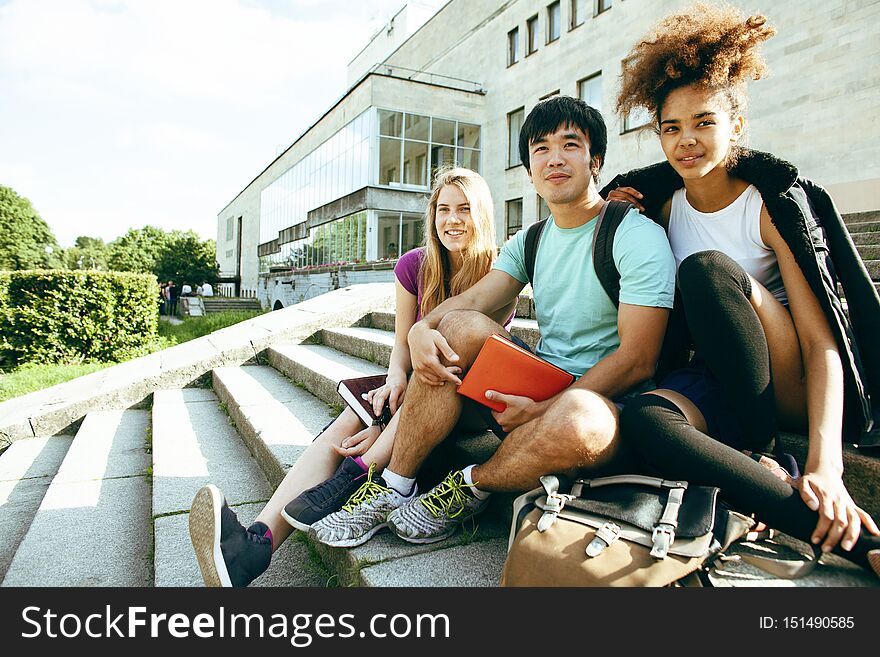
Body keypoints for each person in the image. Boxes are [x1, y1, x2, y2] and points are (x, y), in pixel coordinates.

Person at [309, 95, 676, 548]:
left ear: (595, 160)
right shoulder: (533, 240)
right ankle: (393, 487)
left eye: (570, 145)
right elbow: (478, 299)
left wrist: (544, 409)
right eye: (540, 148)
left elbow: (638, 360)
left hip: (604, 400)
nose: (554, 158)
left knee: (578, 420)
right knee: (457, 327)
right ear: (529, 169)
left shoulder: (633, 234)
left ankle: (469, 487)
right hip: (541, 379)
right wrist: (423, 330)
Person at [603, 3, 880, 576]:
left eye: (704, 121)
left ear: (736, 126)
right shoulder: (656, 207)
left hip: (787, 381)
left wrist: (826, 464)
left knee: (706, 269)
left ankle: (764, 452)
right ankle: (859, 547)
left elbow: (820, 339)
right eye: (671, 128)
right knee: (647, 422)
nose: (687, 141)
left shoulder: (768, 207)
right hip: (719, 375)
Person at [188, 167, 516, 586]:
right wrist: (395, 380)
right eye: (444, 210)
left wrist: (384, 423)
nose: (453, 220)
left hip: (460, 395)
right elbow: (402, 343)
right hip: (413, 386)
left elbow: (461, 360)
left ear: (483, 214)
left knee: (405, 395)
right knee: (346, 425)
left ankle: (355, 475)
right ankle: (253, 548)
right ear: (432, 217)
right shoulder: (415, 265)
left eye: (465, 209)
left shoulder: (499, 273)